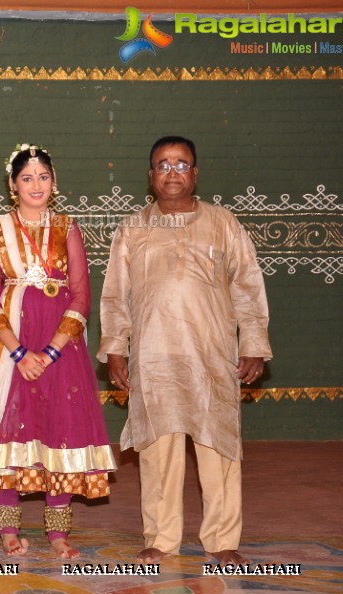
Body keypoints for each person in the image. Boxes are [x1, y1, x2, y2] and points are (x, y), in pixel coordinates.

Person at [98, 135, 271, 568]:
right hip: (154, 357)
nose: (172, 172)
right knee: (157, 449)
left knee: (220, 449)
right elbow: (116, 296)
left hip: (212, 355)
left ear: (195, 173)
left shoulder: (223, 223)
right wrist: (116, 349)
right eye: (163, 165)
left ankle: (222, 539)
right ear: (150, 176)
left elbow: (248, 288)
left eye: (181, 164)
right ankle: (160, 539)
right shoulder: (132, 228)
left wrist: (252, 344)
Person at [0, 144, 117, 559]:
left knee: (59, 430)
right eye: (26, 178)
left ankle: (58, 532)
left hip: (61, 350)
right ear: (13, 185)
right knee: (9, 431)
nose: (36, 185)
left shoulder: (68, 228)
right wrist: (19, 353)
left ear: (55, 182)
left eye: (43, 177)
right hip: (11, 347)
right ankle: (9, 528)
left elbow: (81, 297)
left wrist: (49, 352)